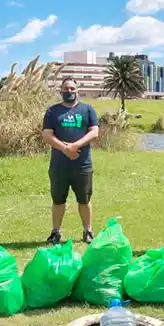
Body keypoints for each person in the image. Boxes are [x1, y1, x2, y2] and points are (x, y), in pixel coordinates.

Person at [42, 77, 100, 245]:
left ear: (77, 91)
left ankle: (88, 231)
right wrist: (65, 149)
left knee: (84, 199)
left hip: (82, 165)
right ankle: (55, 232)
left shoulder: (87, 109)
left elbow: (94, 132)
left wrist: (75, 146)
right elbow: (47, 134)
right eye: (66, 89)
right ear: (61, 91)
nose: (69, 91)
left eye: (72, 89)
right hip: (59, 165)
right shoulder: (53, 111)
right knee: (58, 200)